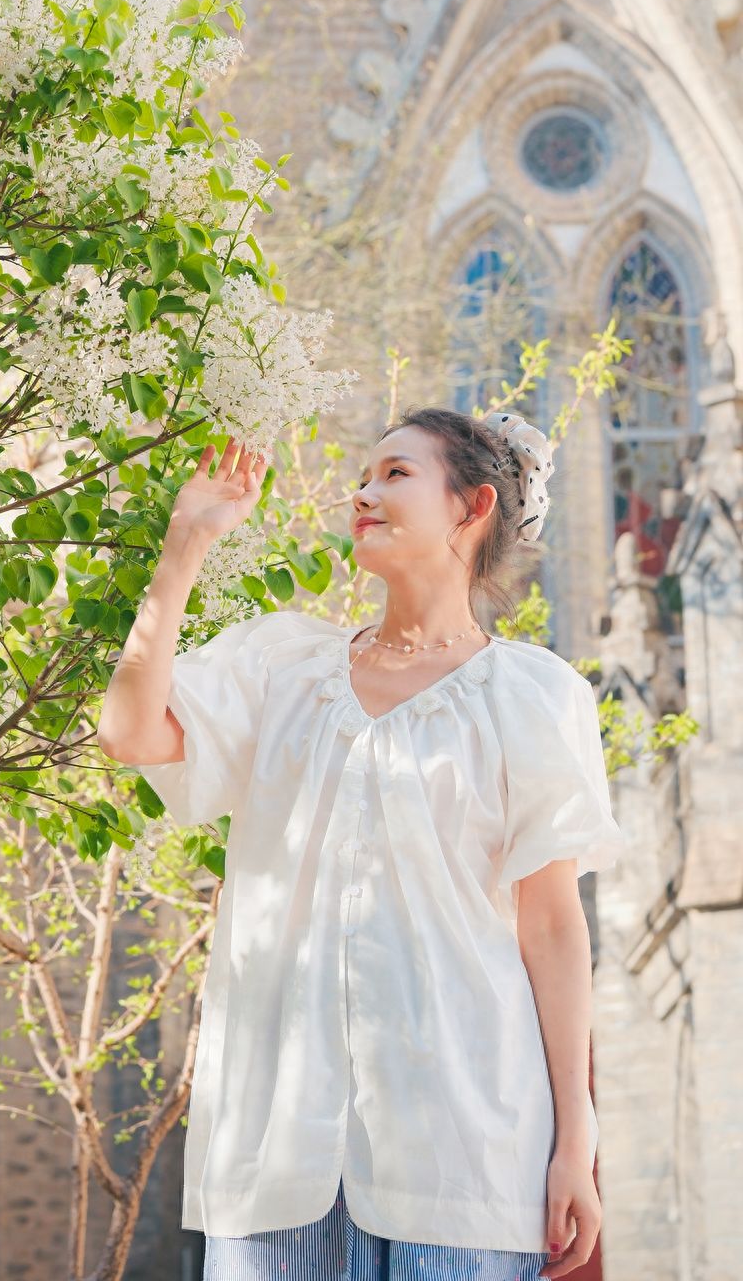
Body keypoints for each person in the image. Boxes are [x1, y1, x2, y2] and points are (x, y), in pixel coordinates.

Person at [97, 407, 625, 1281]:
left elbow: (552, 928)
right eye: (363, 477)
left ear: (473, 507)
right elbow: (126, 730)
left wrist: (577, 1140)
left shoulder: (535, 695)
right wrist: (184, 545)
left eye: (396, 474)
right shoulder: (282, 668)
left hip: (467, 1153)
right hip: (279, 1148)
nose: (364, 493)